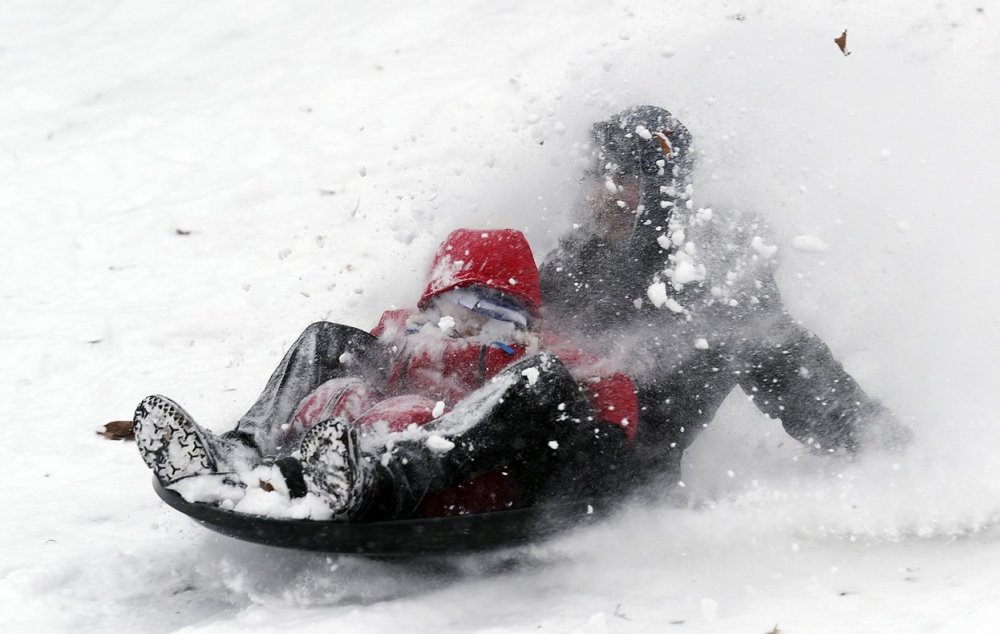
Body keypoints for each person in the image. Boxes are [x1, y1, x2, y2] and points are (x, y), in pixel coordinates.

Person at [134, 228, 637, 520]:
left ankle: (371, 478)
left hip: (455, 473)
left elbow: (611, 409)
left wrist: (597, 447)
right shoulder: (405, 334)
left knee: (533, 379)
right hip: (352, 441)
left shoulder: (549, 357)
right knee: (330, 344)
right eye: (453, 303)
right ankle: (242, 451)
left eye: (490, 306)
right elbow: (368, 376)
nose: (466, 319)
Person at [538, 105, 911, 489]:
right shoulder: (571, 262)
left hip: (622, 480)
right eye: (598, 176)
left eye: (625, 178)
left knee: (755, 330)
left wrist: (884, 453)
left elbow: (784, 362)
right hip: (539, 457)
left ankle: (879, 447)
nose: (605, 193)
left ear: (661, 188)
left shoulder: (715, 260)